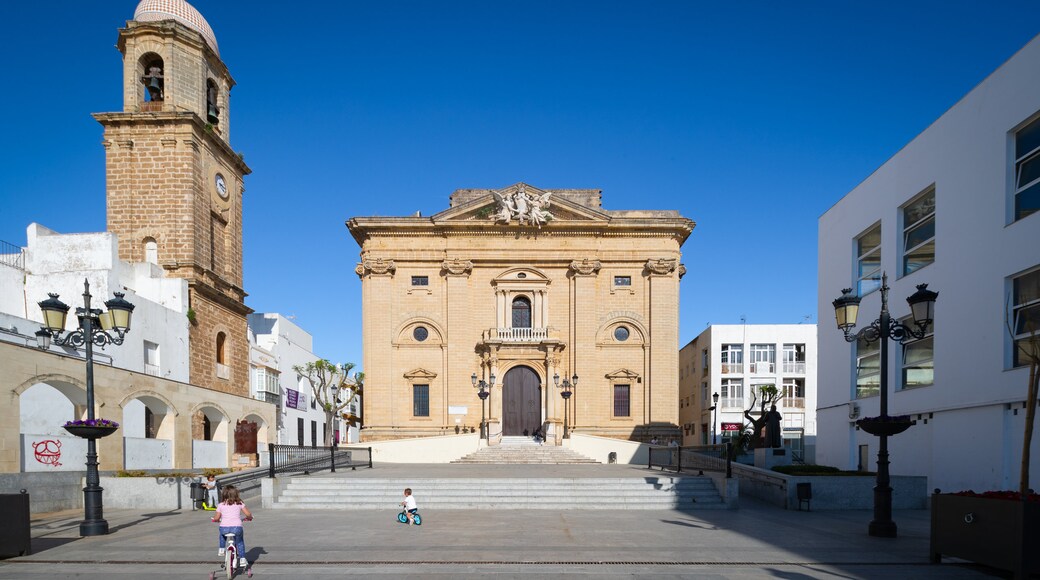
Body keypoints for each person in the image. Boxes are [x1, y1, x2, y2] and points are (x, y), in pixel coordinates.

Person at [211, 484, 253, 568]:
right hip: (237, 528)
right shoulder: (239, 503)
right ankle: (242, 559)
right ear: (236, 494)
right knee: (240, 541)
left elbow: (217, 517)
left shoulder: (221, 505)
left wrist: (215, 519)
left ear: (223, 494)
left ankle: (221, 549)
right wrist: (249, 517)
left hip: (224, 528)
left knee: (222, 535)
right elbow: (248, 514)